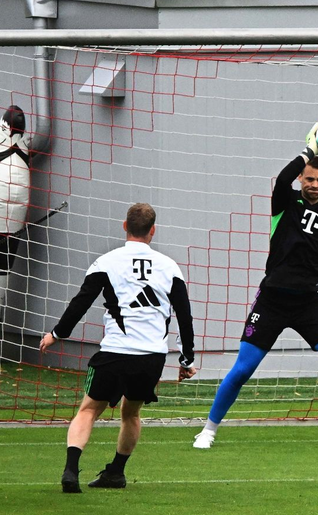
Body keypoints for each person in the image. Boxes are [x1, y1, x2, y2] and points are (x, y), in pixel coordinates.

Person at [193, 123, 318, 449]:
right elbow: (282, 179)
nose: (313, 185)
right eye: (309, 179)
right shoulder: (285, 201)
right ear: (302, 179)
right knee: (243, 369)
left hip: (307, 304)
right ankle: (209, 430)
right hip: (271, 301)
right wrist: (311, 151)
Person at [40, 203, 198, 493]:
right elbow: (184, 316)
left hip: (114, 353)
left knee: (88, 410)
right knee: (131, 413)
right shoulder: (170, 267)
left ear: (124, 227)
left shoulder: (106, 262)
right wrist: (186, 359)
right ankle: (116, 472)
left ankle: (71, 470)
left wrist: (56, 334)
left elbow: (81, 301)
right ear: (153, 231)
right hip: (151, 358)